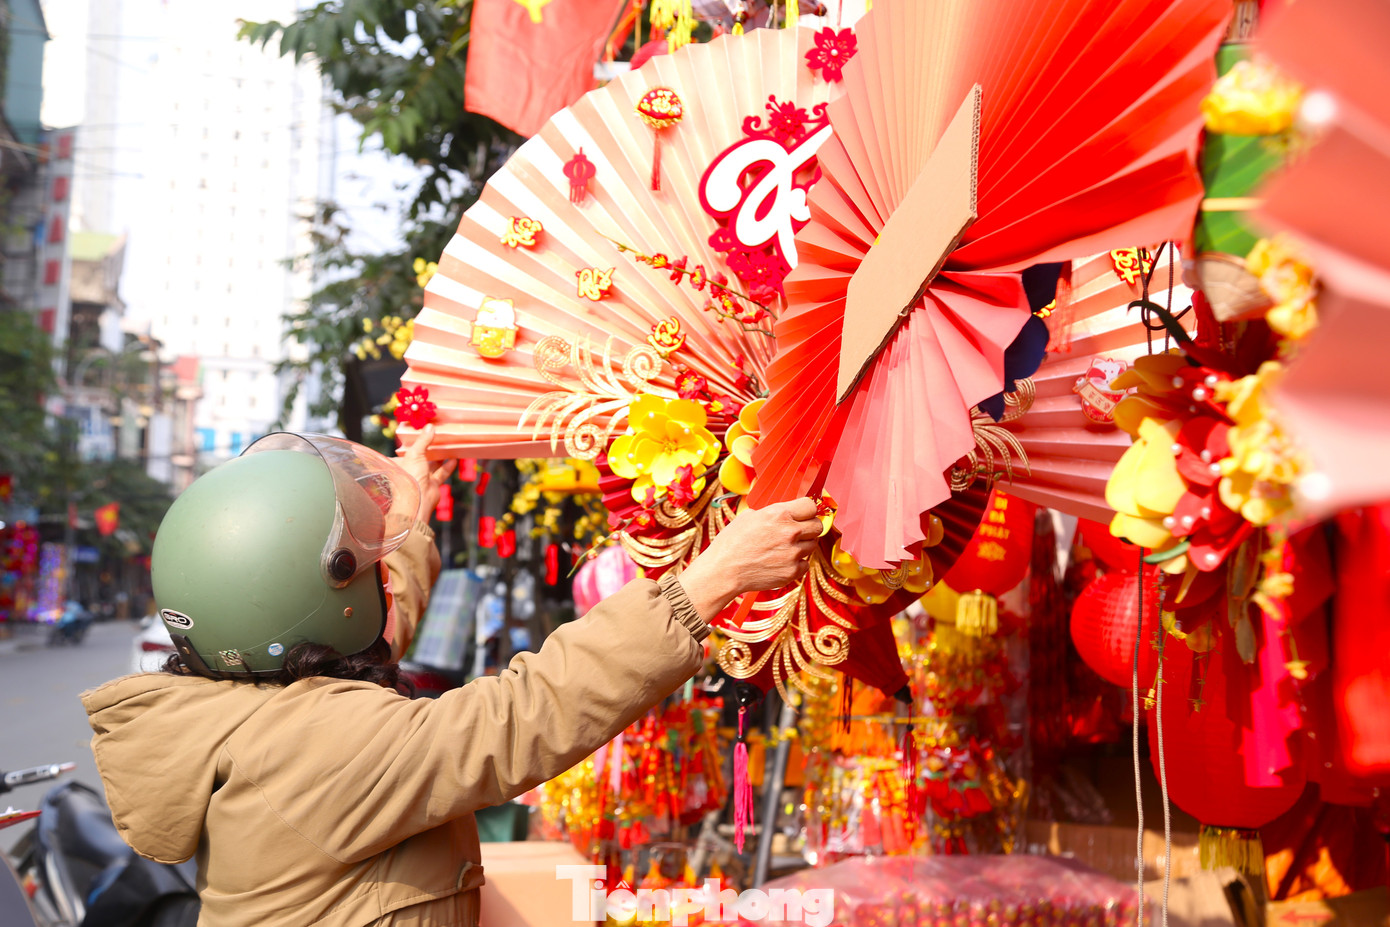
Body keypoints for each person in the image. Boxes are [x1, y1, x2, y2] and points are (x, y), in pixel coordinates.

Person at [81, 427, 822, 927]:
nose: (382, 583)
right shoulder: (323, 745)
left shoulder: (242, 702)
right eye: (369, 567)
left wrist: (410, 511)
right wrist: (712, 579)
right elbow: (524, 713)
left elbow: (359, 636)